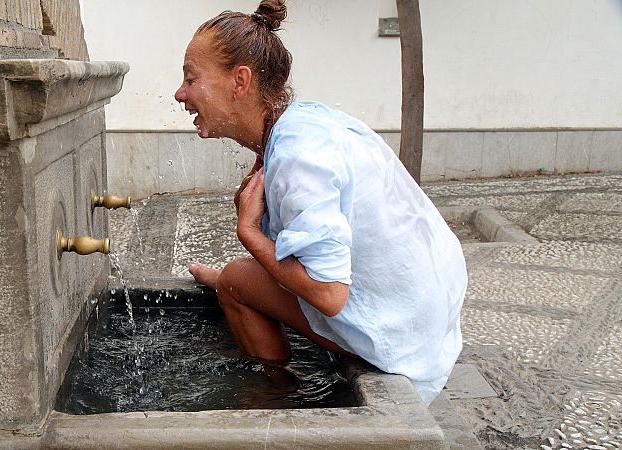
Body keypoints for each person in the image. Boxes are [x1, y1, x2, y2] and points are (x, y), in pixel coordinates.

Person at [173, 0, 467, 405]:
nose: (180, 94)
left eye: (191, 78)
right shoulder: (303, 122)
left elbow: (329, 295)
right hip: (428, 321)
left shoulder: (297, 156)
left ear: (239, 81)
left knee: (235, 282)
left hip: (402, 346)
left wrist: (250, 234)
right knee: (237, 275)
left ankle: (276, 403)